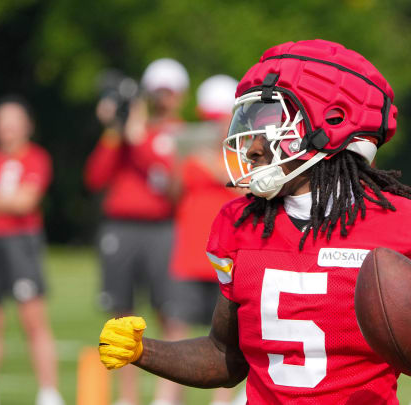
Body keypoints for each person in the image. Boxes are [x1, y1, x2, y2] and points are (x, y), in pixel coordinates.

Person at [96, 39, 411, 404]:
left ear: (332, 126)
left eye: (270, 124)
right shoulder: (241, 224)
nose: (251, 145)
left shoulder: (406, 229)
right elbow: (225, 355)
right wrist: (144, 351)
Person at [84, 58, 189, 405]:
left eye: (168, 92)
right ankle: (127, 397)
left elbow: (163, 177)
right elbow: (95, 177)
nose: (162, 99)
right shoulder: (125, 133)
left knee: (170, 312)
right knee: (121, 317)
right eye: (157, 92)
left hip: (162, 229)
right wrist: (116, 130)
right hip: (121, 229)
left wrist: (137, 135)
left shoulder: (176, 134)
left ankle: (167, 396)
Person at [0, 97, 64, 405]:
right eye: (2, 121)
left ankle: (49, 391)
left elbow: (26, 201)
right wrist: (5, 200)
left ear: (27, 125)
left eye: (14, 121)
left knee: (33, 319)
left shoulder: (36, 158)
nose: (7, 128)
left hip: (21, 243)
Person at [168, 74, 244, 405]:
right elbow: (172, 194)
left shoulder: (244, 154)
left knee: (229, 333)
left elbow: (251, 189)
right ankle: (169, 396)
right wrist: (178, 160)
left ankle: (222, 400)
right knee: (177, 325)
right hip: (190, 249)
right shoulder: (192, 152)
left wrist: (213, 166)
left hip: (229, 253)